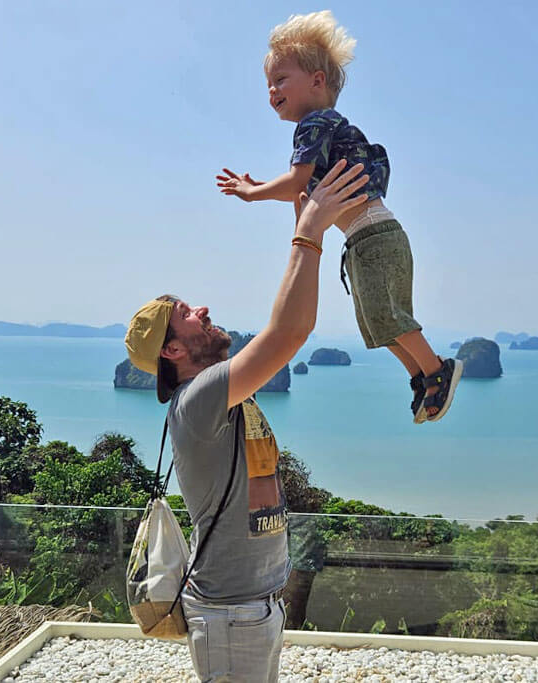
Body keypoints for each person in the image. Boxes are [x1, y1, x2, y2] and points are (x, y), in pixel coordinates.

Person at [125, 160, 369, 682]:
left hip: (251, 606)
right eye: (189, 314)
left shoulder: (220, 393)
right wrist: (308, 235)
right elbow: (288, 335)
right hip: (231, 614)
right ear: (172, 348)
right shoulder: (200, 398)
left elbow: (287, 328)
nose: (204, 310)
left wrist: (304, 211)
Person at [216, 10, 463, 424]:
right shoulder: (330, 131)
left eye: (281, 79)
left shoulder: (314, 124)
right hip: (368, 238)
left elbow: (297, 181)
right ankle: (421, 377)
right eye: (268, 84)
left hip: (374, 236)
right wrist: (280, 198)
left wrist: (251, 193)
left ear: (317, 81)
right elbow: (305, 191)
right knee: (376, 324)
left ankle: (438, 370)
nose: (272, 90)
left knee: (388, 317)